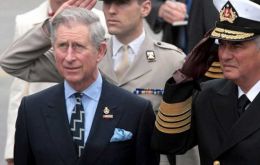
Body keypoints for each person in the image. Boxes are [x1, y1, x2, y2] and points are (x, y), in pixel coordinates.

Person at [0, 0, 185, 164]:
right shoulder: (79, 55)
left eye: (121, 3)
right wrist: (54, 25)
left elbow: (184, 138)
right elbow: (12, 62)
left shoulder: (171, 60)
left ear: (145, 8)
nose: (111, 10)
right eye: (107, 3)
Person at [152, 0, 260, 164]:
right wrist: (183, 79)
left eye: (236, 46)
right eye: (222, 45)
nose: (224, 55)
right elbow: (167, 144)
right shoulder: (208, 94)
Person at [3, 0, 107, 165]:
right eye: (63, 46)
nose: (70, 56)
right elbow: (19, 88)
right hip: (45, 124)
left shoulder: (100, 19)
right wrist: (12, 147)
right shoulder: (27, 19)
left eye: (78, 46)